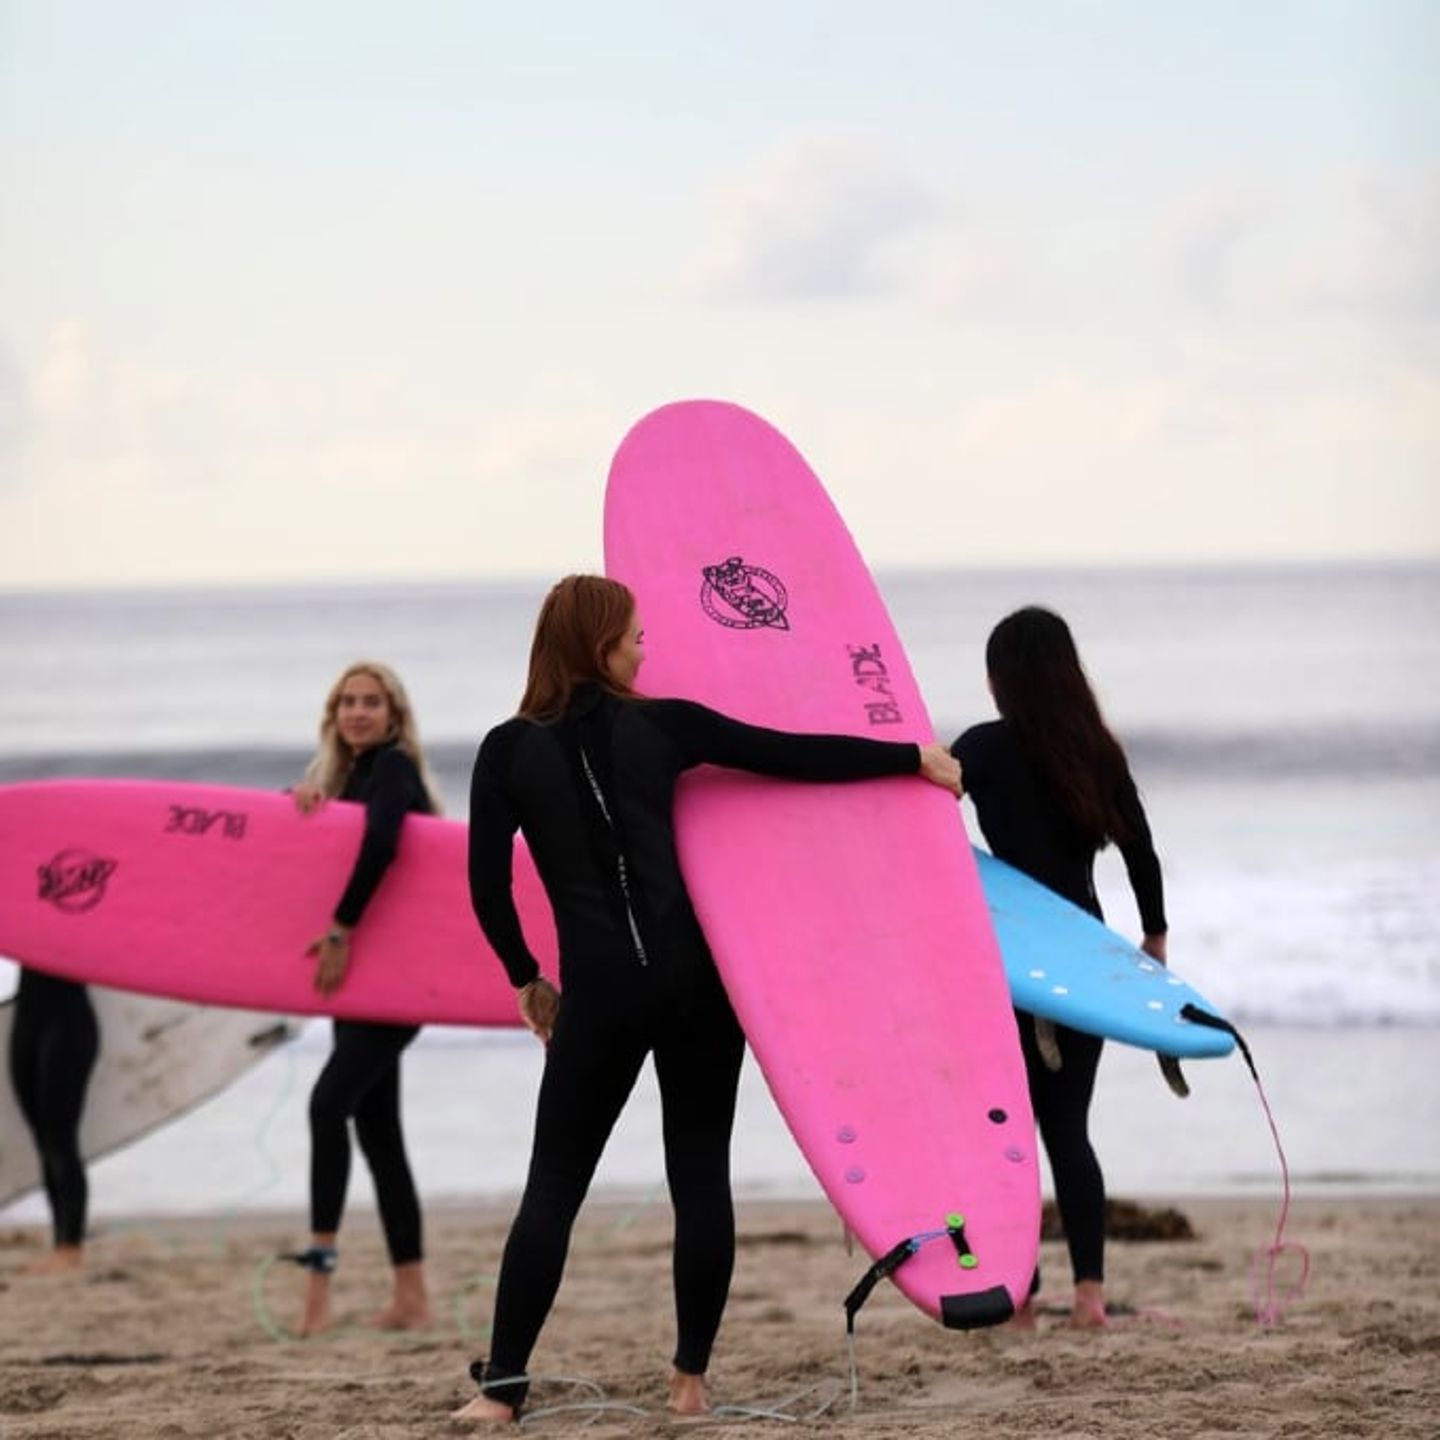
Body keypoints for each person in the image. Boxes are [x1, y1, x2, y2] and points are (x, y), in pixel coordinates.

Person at [455, 574, 961, 1424]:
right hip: (696, 985)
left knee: (555, 1186)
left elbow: (485, 885)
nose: (642, 651)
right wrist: (911, 756)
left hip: (601, 995)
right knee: (698, 1174)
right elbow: (789, 753)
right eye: (634, 637)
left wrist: (525, 977)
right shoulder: (662, 725)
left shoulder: (506, 751)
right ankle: (689, 1381)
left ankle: (502, 1391)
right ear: (601, 645)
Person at [950, 606, 1168, 1330]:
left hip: (1007, 962)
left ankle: (1021, 1293)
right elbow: (1141, 852)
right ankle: (1090, 1297)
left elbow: (922, 809)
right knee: (1069, 1128)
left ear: (1000, 679)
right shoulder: (1096, 752)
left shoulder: (982, 747)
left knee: (1008, 1132)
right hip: (1084, 958)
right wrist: (1155, 939)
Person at [288, 660, 443, 1337]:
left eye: (371, 702)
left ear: (393, 715)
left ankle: (318, 1291)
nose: (357, 712)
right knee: (380, 1136)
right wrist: (302, 803)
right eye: (347, 702)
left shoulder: (394, 769)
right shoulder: (350, 778)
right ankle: (412, 1296)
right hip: (364, 982)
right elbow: (319, 851)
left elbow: (381, 844)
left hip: (395, 980)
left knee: (327, 1106)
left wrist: (340, 929)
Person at [8, 967, 100, 1274]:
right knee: (44, 1140)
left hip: (69, 1026)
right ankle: (60, 1243)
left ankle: (70, 1247)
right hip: (26, 1021)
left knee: (60, 1139)